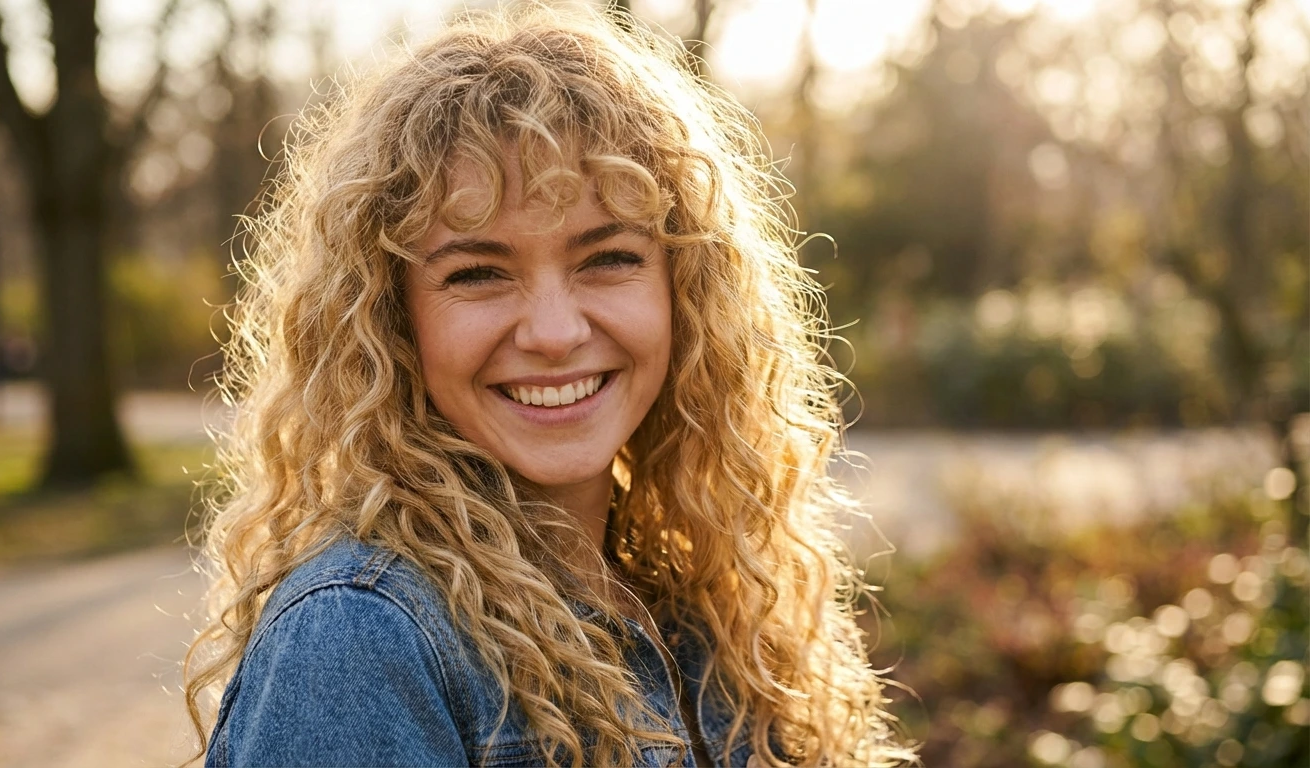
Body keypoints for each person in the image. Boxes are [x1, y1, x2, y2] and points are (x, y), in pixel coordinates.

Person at [182, 5, 912, 767]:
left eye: (607, 258)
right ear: (393, 319)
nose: (555, 332)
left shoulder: (701, 605)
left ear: (686, 291)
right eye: (478, 273)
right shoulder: (361, 638)